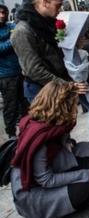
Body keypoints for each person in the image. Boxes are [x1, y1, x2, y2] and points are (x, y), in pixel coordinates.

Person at [11, 0, 89, 157]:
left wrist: (76, 45)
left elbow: (61, 52)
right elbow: (34, 70)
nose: (60, 8)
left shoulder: (48, 22)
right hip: (44, 89)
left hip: (67, 79)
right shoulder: (22, 31)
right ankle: (66, 163)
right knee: (58, 128)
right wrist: (69, 86)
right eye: (58, 4)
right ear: (44, 2)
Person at [10, 81, 89, 218]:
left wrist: (66, 142)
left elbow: (59, 136)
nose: (75, 108)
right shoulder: (39, 138)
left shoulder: (49, 123)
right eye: (74, 104)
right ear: (63, 107)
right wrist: (85, 174)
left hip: (49, 170)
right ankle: (50, 214)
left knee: (87, 149)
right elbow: (45, 180)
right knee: (81, 188)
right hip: (34, 196)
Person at [0, 4, 28, 138]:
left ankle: (27, 129)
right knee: (11, 106)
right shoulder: (10, 31)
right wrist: (12, 39)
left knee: (25, 103)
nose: (2, 15)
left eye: (3, 12)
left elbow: (18, 33)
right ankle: (11, 135)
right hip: (5, 76)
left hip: (20, 71)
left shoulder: (10, 27)